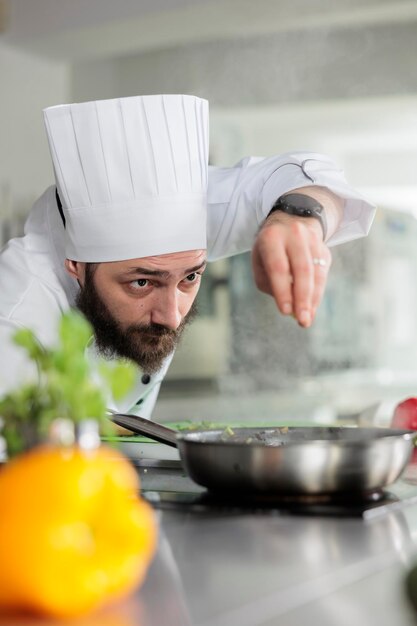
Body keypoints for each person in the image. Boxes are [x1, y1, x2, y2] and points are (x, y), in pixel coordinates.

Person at [0, 94, 375, 418]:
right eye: (142, 282)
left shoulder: (182, 215)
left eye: (190, 278)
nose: (172, 315)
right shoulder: (15, 322)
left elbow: (312, 177)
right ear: (76, 265)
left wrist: (299, 216)